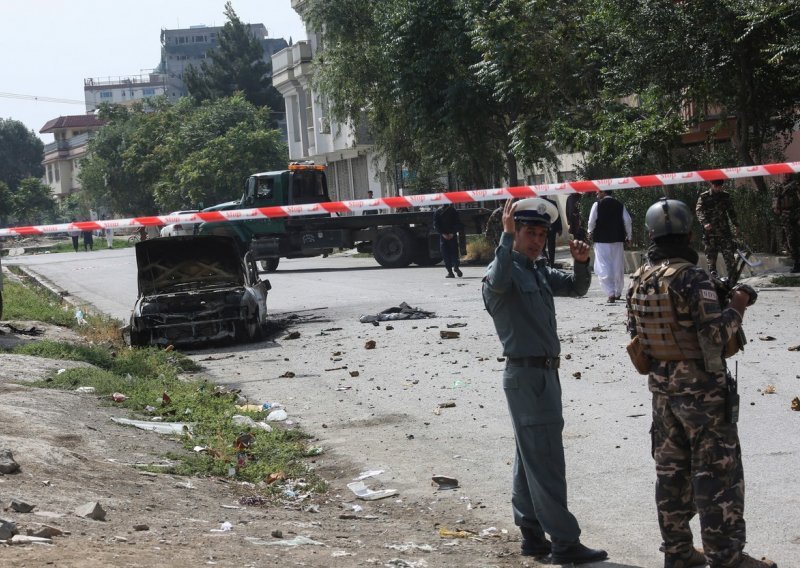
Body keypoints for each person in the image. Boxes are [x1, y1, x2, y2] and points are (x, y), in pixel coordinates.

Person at [626, 198, 775, 568]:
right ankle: (727, 557)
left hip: (662, 393)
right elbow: (714, 334)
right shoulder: (693, 278)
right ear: (689, 233)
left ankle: (676, 553)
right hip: (702, 394)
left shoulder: (639, 279)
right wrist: (737, 303)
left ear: (650, 236)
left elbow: (636, 335)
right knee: (716, 475)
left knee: (671, 474)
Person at [482, 198, 608, 565]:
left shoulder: (535, 270)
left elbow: (576, 288)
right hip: (527, 376)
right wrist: (505, 240)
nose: (536, 240)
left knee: (530, 457)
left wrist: (583, 264)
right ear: (514, 232)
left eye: (541, 233)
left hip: (543, 374)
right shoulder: (501, 271)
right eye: (528, 232)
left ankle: (532, 534)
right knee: (547, 459)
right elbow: (500, 279)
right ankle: (565, 542)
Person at [587, 190, 632, 302]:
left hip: (601, 240)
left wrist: (589, 231)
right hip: (617, 240)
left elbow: (591, 221)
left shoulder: (597, 205)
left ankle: (610, 293)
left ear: (603, 192)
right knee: (617, 265)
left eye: (598, 192)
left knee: (603, 266)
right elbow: (627, 221)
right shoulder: (620, 205)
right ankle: (617, 292)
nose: (597, 194)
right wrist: (629, 236)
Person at [695, 179, 739, 277]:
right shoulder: (704, 196)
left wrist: (736, 224)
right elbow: (699, 211)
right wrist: (705, 222)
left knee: (729, 257)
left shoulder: (725, 196)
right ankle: (714, 279)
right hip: (710, 233)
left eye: (720, 186)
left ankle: (732, 279)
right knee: (711, 258)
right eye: (716, 186)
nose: (718, 188)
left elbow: (731, 211)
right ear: (712, 185)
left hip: (724, 231)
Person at [772, 173, 800, 273]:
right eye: (784, 174)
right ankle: (796, 261)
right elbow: (775, 201)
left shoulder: (795, 185)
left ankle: (797, 263)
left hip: (796, 215)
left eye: (787, 174)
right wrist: (776, 207)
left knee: (794, 240)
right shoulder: (780, 187)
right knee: (788, 241)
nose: (785, 176)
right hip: (785, 217)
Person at [433, 203, 464, 278]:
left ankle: (450, 272)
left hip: (443, 237)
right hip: (452, 236)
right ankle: (456, 266)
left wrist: (443, 234)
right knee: (454, 252)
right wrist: (452, 233)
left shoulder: (437, 212)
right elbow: (458, 224)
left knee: (445, 254)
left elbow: (436, 225)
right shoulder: (453, 211)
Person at [543, 196, 563, 267]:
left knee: (551, 247)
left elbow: (557, 216)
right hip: (542, 229)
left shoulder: (552, 203)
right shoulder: (537, 203)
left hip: (552, 228)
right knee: (542, 247)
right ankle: (546, 261)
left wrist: (560, 228)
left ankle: (551, 262)